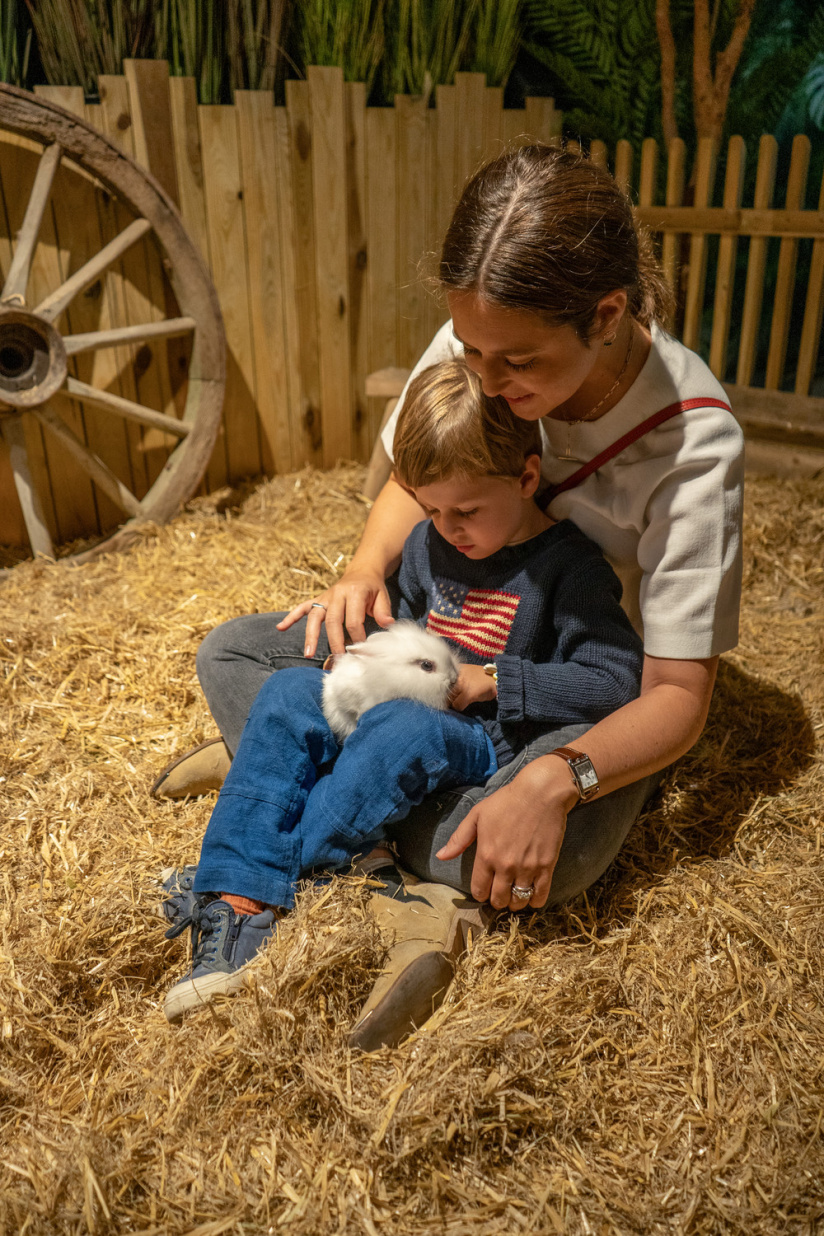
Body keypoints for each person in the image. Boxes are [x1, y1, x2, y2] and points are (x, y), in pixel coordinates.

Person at [153, 145, 743, 1049]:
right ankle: (381, 823)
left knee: (566, 857)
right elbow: (412, 482)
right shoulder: (486, 337)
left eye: (515, 364)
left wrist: (559, 779)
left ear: (609, 314)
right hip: (436, 655)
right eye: (468, 348)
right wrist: (360, 574)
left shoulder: (694, 446)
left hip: (558, 691)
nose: (484, 376)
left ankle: (306, 799)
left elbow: (669, 693)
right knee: (237, 654)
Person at [161, 360, 643, 1024]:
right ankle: (237, 910)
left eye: (467, 510)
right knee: (285, 696)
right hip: (405, 705)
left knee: (399, 735)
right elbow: (411, 624)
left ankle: (284, 866)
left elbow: (616, 680)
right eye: (433, 508)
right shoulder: (426, 543)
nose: (449, 528)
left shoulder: (570, 568)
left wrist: (497, 680)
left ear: (527, 477)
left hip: (479, 736)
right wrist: (364, 661)